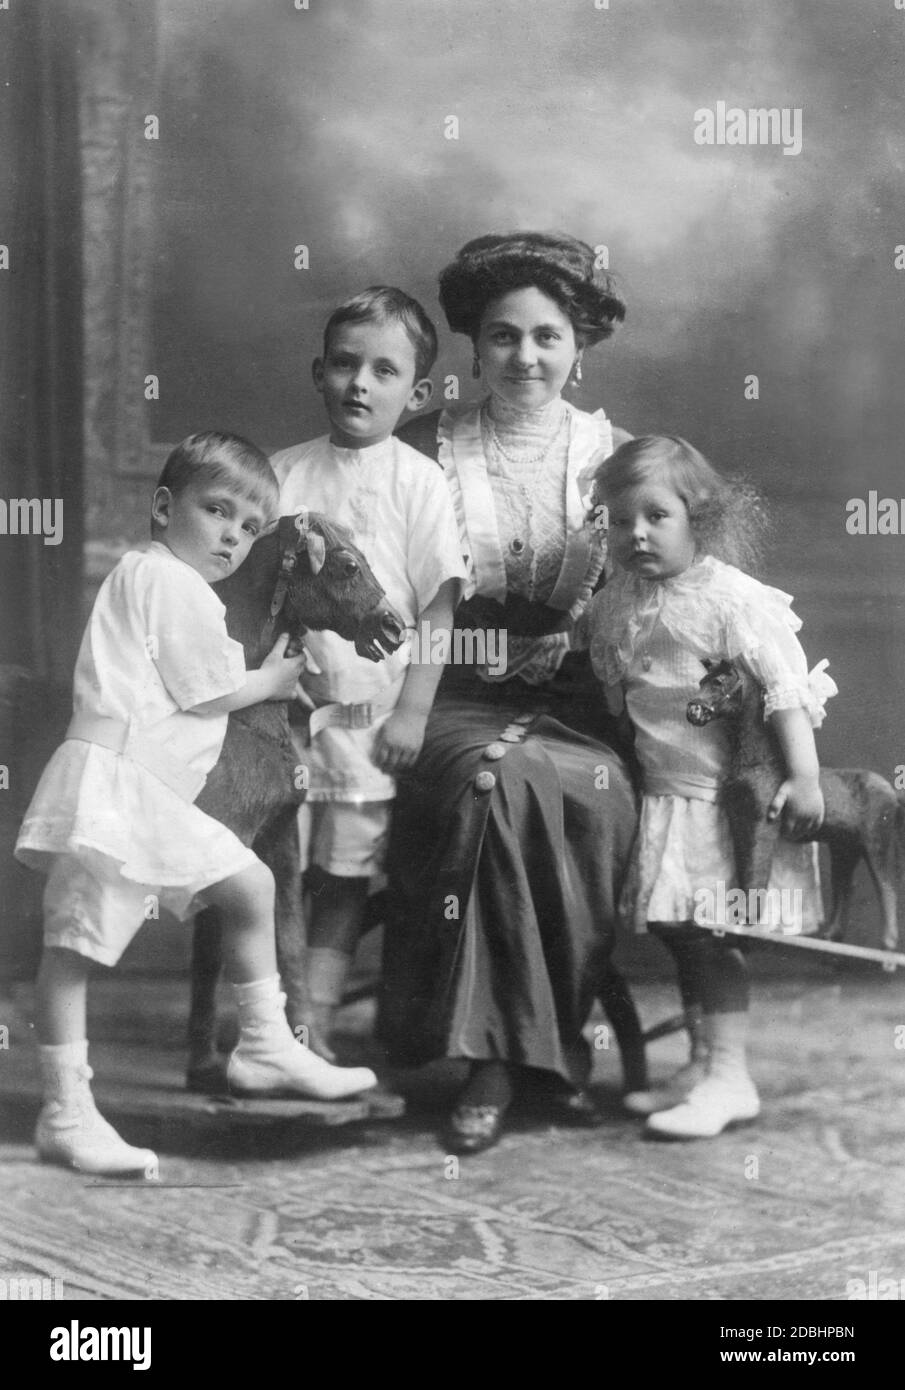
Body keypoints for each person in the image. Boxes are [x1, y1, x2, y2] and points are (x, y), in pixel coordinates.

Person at [15, 431, 377, 1177]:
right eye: (217, 511)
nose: (232, 537)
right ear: (161, 506)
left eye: (249, 528)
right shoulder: (162, 580)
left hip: (151, 791)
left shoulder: (177, 584)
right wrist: (275, 680)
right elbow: (206, 690)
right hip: (113, 789)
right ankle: (65, 1111)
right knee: (77, 949)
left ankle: (264, 1046)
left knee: (251, 884)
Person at [378, 232, 638, 1154]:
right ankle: (517, 1056)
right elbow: (388, 589)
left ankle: (524, 1050)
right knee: (496, 776)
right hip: (439, 699)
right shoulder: (422, 449)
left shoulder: (621, 462)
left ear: (580, 345)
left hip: (581, 707)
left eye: (546, 337)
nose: (523, 358)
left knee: (566, 788)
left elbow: (669, 597)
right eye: (501, 337)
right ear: (473, 346)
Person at [586, 434, 835, 1138]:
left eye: (655, 516)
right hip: (660, 796)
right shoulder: (616, 604)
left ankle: (730, 1075)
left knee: (713, 937)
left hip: (716, 801)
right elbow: (618, 703)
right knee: (678, 933)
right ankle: (700, 1062)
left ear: (698, 516)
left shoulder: (730, 599)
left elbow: (785, 691)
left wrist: (805, 776)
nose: (635, 534)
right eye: (618, 519)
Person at [271, 288, 467, 1061]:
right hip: (285, 713)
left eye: (383, 370)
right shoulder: (282, 473)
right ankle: (268, 1015)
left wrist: (413, 712)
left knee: (344, 878)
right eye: (345, 364)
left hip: (368, 720)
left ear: (415, 393)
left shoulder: (419, 482)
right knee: (281, 865)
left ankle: (311, 1021)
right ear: (319, 372)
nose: (360, 382)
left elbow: (438, 611)